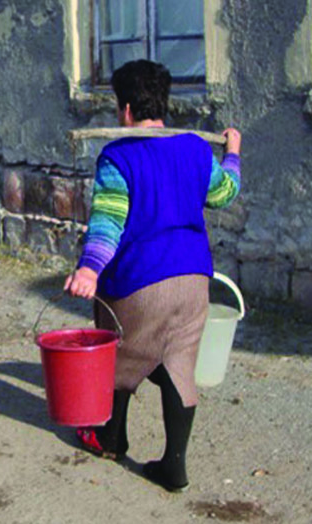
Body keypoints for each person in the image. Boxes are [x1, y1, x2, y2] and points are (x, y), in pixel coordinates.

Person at [64, 59, 242, 493]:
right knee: (179, 364)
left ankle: (110, 436)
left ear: (124, 109)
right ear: (163, 103)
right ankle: (173, 467)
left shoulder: (118, 157)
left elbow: (109, 223)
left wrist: (90, 268)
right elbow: (224, 193)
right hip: (193, 280)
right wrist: (233, 152)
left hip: (139, 281)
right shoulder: (197, 149)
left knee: (120, 355)